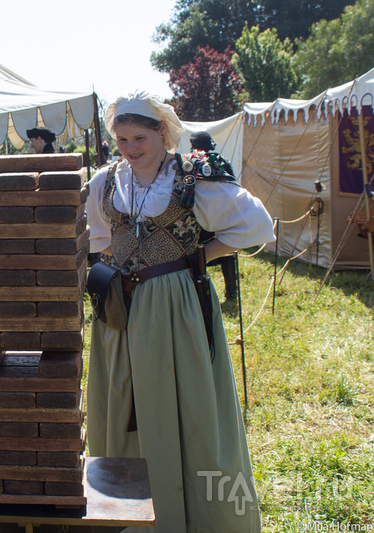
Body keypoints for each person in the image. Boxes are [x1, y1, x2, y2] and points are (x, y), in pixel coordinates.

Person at [84, 92, 275, 532]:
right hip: (121, 308)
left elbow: (256, 226)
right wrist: (128, 263)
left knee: (189, 407)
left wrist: (196, 256)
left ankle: (204, 515)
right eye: (122, 138)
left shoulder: (192, 177)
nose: (131, 148)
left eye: (140, 137)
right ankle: (128, 510)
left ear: (163, 133)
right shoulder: (107, 181)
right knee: (124, 399)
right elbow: (98, 236)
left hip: (176, 307)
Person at [190, 131, 239, 299]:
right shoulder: (222, 162)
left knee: (200, 255)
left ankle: (200, 293)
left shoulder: (190, 164)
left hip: (199, 217)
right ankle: (230, 291)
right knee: (225, 253)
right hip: (220, 215)